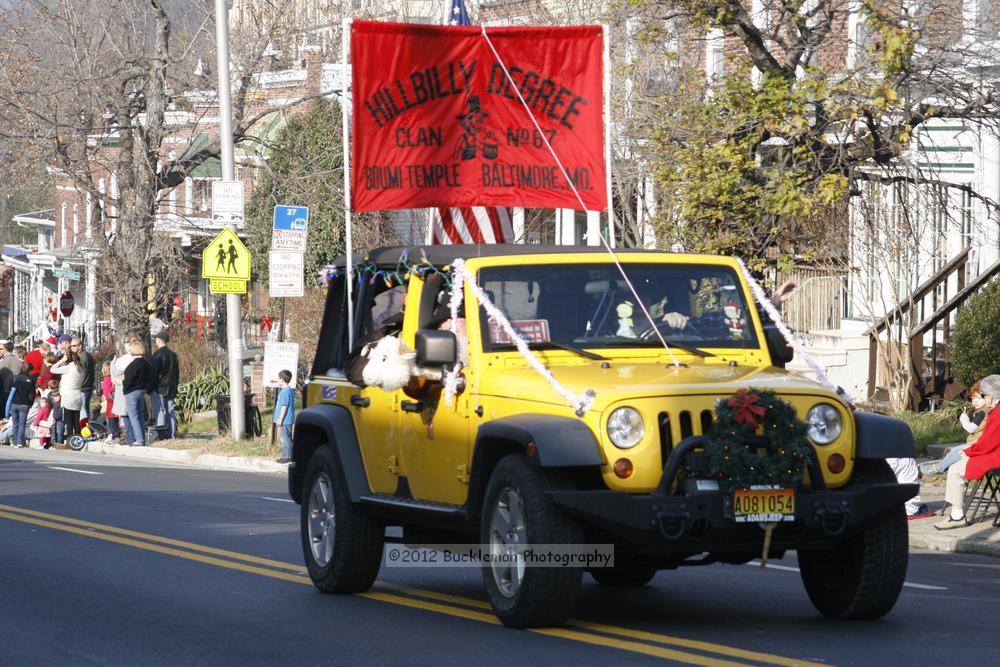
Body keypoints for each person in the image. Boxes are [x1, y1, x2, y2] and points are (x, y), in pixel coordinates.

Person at [936, 374, 1000, 530]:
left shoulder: (997, 414)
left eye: (983, 395)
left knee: (955, 469)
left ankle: (957, 516)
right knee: (959, 460)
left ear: (991, 396)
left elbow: (987, 443)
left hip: (995, 456)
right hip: (995, 453)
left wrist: (970, 452)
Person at [920, 380, 990, 476]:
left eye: (978, 398)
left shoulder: (982, 413)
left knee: (956, 452)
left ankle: (938, 468)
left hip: (976, 445)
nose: (975, 401)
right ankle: (945, 467)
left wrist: (964, 419)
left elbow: (971, 428)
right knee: (954, 451)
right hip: (977, 444)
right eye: (973, 398)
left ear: (987, 398)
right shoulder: (986, 411)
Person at [148, 330, 179, 439]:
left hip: (159, 388)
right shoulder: (173, 355)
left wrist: (149, 388)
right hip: (171, 387)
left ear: (159, 340)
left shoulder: (157, 355)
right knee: (171, 412)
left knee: (160, 412)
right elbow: (176, 373)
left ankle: (161, 436)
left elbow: (153, 374)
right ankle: (172, 434)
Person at [50, 351, 84, 441]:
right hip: (77, 396)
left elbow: (52, 369)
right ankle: (78, 439)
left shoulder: (68, 368)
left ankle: (70, 439)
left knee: (69, 421)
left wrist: (61, 360)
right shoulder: (80, 368)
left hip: (68, 396)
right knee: (76, 421)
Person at [122, 338, 149, 446]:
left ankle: (139, 439)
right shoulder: (145, 363)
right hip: (142, 390)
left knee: (133, 416)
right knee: (140, 415)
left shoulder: (133, 365)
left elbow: (128, 380)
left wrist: (124, 384)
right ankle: (142, 436)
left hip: (132, 391)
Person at [110, 339, 136, 444]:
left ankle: (130, 437)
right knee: (128, 414)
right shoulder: (131, 358)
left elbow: (116, 373)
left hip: (123, 388)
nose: (125, 344)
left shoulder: (127, 358)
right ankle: (130, 436)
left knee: (126, 414)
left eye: (126, 342)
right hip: (125, 387)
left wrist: (112, 364)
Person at [8, 362, 37, 448]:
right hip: (24, 403)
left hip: (14, 402)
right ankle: (20, 441)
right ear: (30, 370)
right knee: (22, 423)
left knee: (15, 423)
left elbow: (11, 389)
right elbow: (32, 394)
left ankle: (14, 441)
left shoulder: (15, 378)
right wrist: (30, 403)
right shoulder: (31, 380)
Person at [274, 369, 295, 464]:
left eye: (278, 379)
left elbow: (284, 406)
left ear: (282, 380)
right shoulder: (287, 390)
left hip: (285, 420)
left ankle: (287, 456)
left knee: (285, 438)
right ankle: (285, 455)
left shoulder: (286, 391)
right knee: (286, 437)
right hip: (286, 420)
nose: (277, 380)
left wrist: (280, 419)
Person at [72, 337, 96, 420]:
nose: (72, 348)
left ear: (80, 346)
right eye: (71, 346)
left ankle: (84, 429)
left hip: (84, 387)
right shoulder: (84, 355)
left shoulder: (83, 356)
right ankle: (85, 427)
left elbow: (82, 373)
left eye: (74, 346)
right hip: (86, 386)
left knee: (83, 410)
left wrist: (77, 385)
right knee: (84, 409)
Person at [100, 361, 120, 443]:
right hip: (111, 401)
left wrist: (109, 397)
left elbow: (107, 391)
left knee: (111, 420)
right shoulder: (109, 379)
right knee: (112, 419)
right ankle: (114, 434)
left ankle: (114, 434)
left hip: (110, 402)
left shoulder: (107, 379)